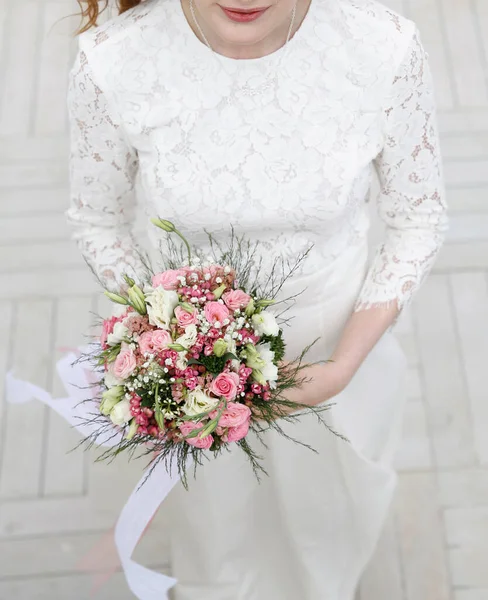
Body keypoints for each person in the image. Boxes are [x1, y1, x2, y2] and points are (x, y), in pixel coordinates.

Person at [66, 0, 448, 598]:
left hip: (334, 347)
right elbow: (98, 221)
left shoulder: (383, 49)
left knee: (330, 521)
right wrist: (167, 342)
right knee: (218, 531)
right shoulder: (115, 63)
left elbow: (417, 221)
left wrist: (342, 367)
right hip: (197, 375)